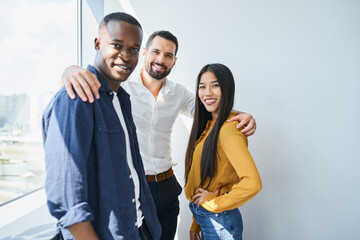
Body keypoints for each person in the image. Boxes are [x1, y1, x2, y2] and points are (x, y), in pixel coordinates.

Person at [61, 31, 257, 240]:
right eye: (156, 52)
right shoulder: (121, 89)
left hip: (167, 187)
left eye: (168, 55)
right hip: (135, 187)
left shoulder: (179, 93)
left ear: (174, 61)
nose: (161, 59)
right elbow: (90, 84)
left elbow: (208, 107)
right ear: (144, 53)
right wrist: (69, 71)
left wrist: (242, 115)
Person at [42, 12, 161, 240]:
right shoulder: (75, 98)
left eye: (134, 49)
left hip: (140, 229)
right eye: (116, 45)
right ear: (97, 44)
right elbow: (67, 200)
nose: (126, 56)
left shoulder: (122, 99)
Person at [184, 63, 262, 240]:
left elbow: (253, 183)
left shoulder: (228, 131)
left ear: (227, 89)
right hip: (208, 217)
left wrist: (213, 203)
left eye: (215, 85)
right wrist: (196, 222)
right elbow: (205, 177)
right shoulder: (208, 126)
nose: (207, 92)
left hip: (220, 221)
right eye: (202, 87)